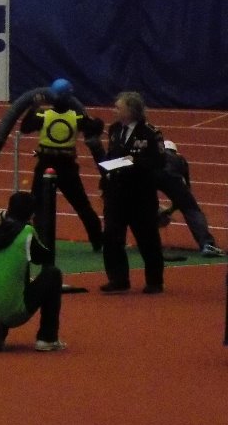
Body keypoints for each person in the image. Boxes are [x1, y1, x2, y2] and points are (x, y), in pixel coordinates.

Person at [19, 78, 105, 252]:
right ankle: (98, 241)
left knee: (38, 206)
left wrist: (33, 107)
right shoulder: (77, 117)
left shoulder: (43, 116)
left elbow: (24, 128)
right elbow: (96, 127)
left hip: (45, 164)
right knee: (82, 206)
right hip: (67, 167)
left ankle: (40, 242)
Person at [0, 191, 65, 353]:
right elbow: (45, 258)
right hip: (16, 311)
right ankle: (47, 338)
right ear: (31, 214)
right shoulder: (26, 232)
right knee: (52, 274)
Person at [98, 91, 166, 294]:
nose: (115, 111)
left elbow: (159, 161)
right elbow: (111, 156)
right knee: (112, 237)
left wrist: (135, 161)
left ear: (131, 110)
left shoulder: (150, 133)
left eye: (119, 107)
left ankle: (154, 280)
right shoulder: (114, 130)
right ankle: (118, 279)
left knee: (147, 238)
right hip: (116, 193)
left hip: (140, 194)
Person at [155, 141, 225, 257]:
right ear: (175, 151)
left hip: (150, 176)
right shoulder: (180, 159)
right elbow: (185, 196)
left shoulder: (152, 154)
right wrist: (170, 210)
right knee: (192, 210)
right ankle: (207, 244)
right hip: (173, 179)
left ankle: (146, 242)